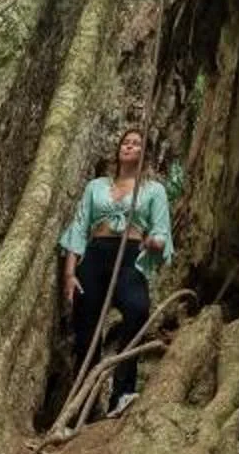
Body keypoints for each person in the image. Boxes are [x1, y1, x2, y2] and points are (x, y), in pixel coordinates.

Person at [58, 124, 171, 419]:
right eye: (126, 142)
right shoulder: (96, 186)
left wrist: (154, 243)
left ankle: (122, 393)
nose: (129, 146)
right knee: (86, 330)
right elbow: (79, 228)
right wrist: (70, 274)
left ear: (145, 153)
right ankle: (83, 405)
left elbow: (160, 232)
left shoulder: (153, 190)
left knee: (137, 310)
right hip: (95, 256)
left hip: (130, 256)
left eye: (136, 143)